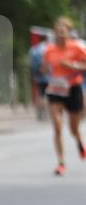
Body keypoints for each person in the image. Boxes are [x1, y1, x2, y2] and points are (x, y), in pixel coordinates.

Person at [41, 16, 86, 175]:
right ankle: (61, 163)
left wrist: (73, 65)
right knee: (57, 126)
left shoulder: (77, 48)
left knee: (73, 128)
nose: (60, 35)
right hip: (56, 89)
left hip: (73, 88)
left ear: (68, 33)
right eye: (57, 32)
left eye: (63, 32)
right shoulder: (49, 50)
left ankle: (79, 140)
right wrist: (45, 69)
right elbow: (44, 69)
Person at [28, 35, 49, 121]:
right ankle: (45, 113)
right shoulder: (47, 48)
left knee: (40, 93)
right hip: (47, 75)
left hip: (37, 74)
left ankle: (39, 113)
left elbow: (30, 63)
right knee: (46, 94)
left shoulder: (33, 49)